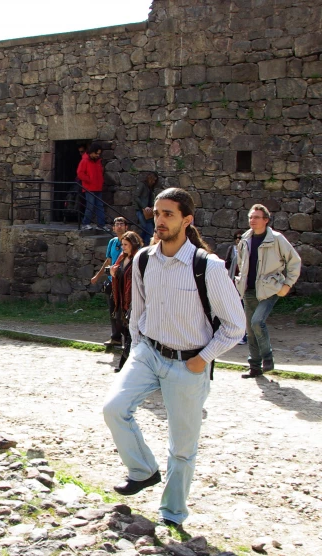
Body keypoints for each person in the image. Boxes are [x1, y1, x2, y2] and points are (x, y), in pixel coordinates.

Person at [103, 188, 245, 526]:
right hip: (148, 353)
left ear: (187, 220)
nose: (160, 219)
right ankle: (143, 470)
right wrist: (138, 346)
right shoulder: (143, 259)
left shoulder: (208, 266)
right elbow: (138, 310)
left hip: (189, 362)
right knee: (114, 409)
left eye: (169, 213)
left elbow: (235, 325)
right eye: (157, 212)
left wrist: (204, 358)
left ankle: (172, 513)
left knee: (182, 447)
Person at [236, 204, 301, 378]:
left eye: (256, 217)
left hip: (270, 289)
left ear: (266, 220)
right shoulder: (245, 239)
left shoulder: (277, 239)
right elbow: (241, 264)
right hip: (249, 290)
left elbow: (295, 261)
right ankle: (255, 367)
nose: (252, 220)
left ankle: (268, 358)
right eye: (251, 217)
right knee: (250, 330)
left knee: (257, 322)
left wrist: (287, 285)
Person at [91, 217, 129, 347]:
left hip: (125, 283)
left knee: (124, 312)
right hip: (111, 281)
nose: (119, 226)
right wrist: (98, 275)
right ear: (113, 228)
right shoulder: (112, 242)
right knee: (113, 311)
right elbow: (108, 261)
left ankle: (129, 339)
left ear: (126, 227)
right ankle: (115, 338)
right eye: (116, 224)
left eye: (121, 224)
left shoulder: (131, 242)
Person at [110, 231, 143, 372]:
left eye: (126, 245)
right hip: (121, 300)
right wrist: (113, 272)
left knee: (131, 334)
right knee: (124, 331)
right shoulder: (122, 258)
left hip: (133, 301)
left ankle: (125, 365)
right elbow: (118, 274)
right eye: (122, 244)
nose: (123, 247)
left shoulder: (138, 258)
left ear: (133, 244)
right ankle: (126, 364)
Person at [224, 231, 247, 345]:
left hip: (243, 282)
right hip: (233, 280)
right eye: (236, 238)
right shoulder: (232, 249)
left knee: (243, 307)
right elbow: (227, 264)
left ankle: (243, 335)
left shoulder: (247, 249)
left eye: (240, 238)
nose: (238, 239)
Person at [78, 142, 105, 229]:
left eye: (99, 153)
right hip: (89, 187)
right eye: (96, 153)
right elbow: (80, 173)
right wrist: (89, 180)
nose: (98, 155)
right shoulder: (85, 161)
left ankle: (101, 225)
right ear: (92, 152)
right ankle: (85, 223)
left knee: (99, 206)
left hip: (98, 187)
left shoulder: (97, 161)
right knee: (90, 206)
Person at [134, 172, 157, 245]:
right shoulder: (142, 185)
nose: (154, 182)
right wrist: (144, 206)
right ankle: (147, 245)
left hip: (149, 212)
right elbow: (136, 196)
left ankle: (138, 244)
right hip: (141, 211)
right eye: (153, 180)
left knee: (145, 229)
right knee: (148, 230)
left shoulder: (150, 187)